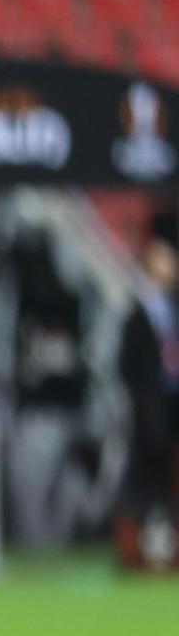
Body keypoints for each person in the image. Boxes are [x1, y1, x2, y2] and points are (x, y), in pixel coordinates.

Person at [117, 237, 179, 565]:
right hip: (149, 414)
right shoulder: (136, 314)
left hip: (173, 409)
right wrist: (144, 404)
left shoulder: (174, 310)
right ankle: (140, 548)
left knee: (169, 481)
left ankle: (167, 546)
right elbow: (127, 365)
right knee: (145, 481)